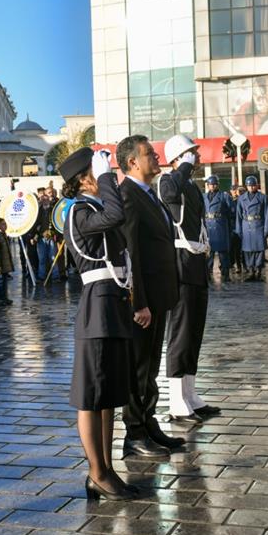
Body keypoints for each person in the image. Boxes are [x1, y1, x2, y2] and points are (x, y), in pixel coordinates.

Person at [59, 147, 138, 500]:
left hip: (113, 303)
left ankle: (106, 468)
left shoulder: (94, 208)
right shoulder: (79, 212)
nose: (109, 174)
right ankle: (97, 471)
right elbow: (117, 216)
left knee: (108, 395)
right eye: (100, 171)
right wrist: (108, 178)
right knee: (90, 397)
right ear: (85, 178)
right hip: (97, 308)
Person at [115, 134, 184, 457]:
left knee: (150, 365)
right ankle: (134, 432)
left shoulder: (149, 193)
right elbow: (132, 254)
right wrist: (138, 301)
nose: (156, 158)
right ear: (132, 162)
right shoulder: (128, 195)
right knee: (139, 366)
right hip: (144, 300)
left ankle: (149, 422)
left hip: (159, 295)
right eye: (149, 154)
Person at [157, 135, 219, 424]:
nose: (196, 157)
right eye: (191, 153)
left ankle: (190, 395)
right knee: (180, 334)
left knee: (194, 332)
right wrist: (181, 167)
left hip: (196, 263)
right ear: (179, 157)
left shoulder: (191, 186)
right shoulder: (170, 179)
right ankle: (176, 401)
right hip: (180, 265)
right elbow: (168, 194)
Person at [235, 176, 268, 281]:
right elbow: (239, 215)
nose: (251, 187)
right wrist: (238, 229)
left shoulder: (262, 197)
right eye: (249, 186)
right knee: (247, 250)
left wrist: (267, 229)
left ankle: (258, 270)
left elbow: (267, 214)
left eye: (253, 185)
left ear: (257, 185)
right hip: (246, 226)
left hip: (258, 225)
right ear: (246, 186)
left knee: (259, 250)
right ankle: (250, 271)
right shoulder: (241, 198)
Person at [203, 175, 233, 281]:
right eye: (211, 184)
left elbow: (231, 210)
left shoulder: (224, 196)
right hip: (208, 226)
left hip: (220, 226)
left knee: (223, 252)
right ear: (208, 185)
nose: (213, 186)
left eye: (215, 184)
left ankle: (225, 272)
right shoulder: (203, 196)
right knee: (208, 252)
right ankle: (207, 272)